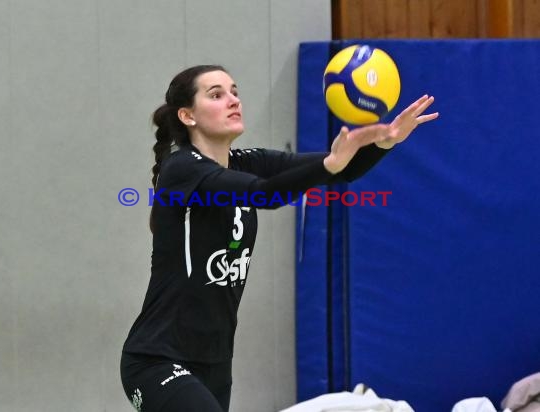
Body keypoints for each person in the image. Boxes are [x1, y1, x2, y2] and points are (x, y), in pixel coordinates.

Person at [120, 64, 438, 412]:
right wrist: (330, 165)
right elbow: (266, 194)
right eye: (217, 94)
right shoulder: (182, 168)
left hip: (214, 362)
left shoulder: (246, 161)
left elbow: (342, 169)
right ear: (187, 115)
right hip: (157, 358)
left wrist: (385, 143)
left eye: (235, 91)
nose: (233, 100)